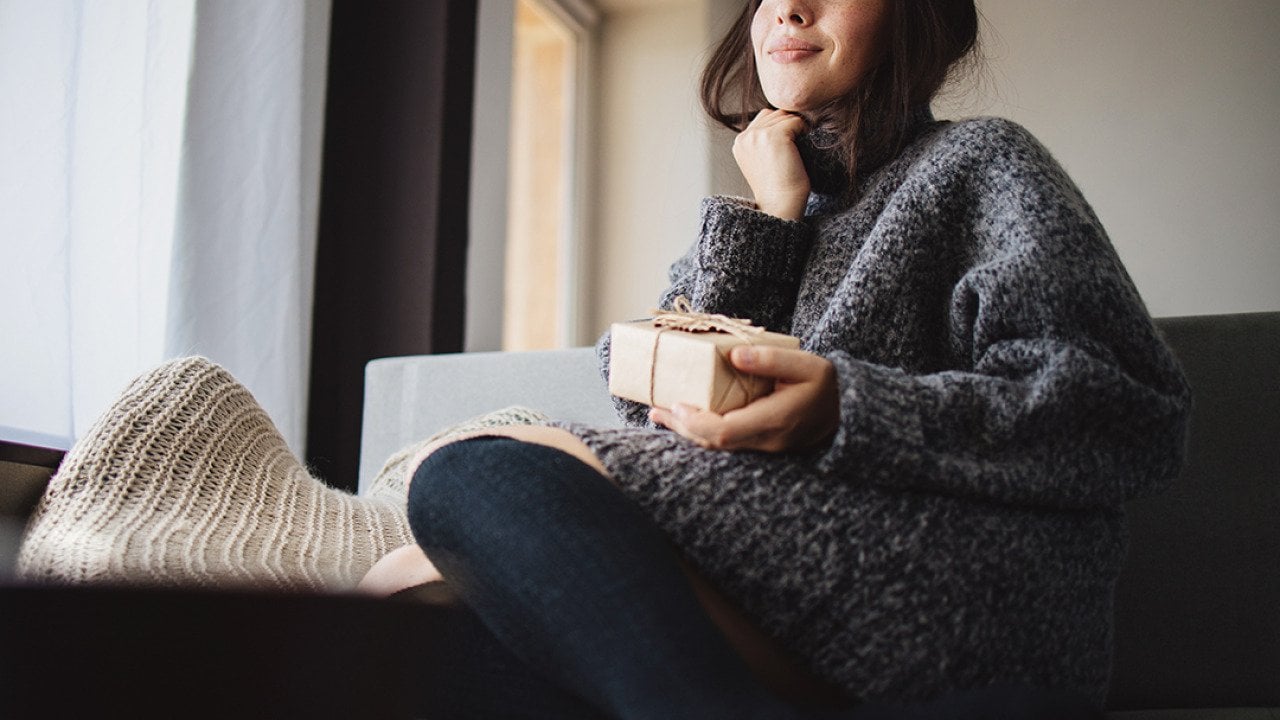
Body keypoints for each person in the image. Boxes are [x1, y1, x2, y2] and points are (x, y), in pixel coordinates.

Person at [362, 0, 1191, 717]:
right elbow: (646, 404)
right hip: (781, 594)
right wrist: (770, 217)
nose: (788, 8)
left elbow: (1126, 414)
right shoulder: (775, 198)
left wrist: (846, 408)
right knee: (405, 635)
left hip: (946, 583)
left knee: (469, 476)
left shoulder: (982, 164)